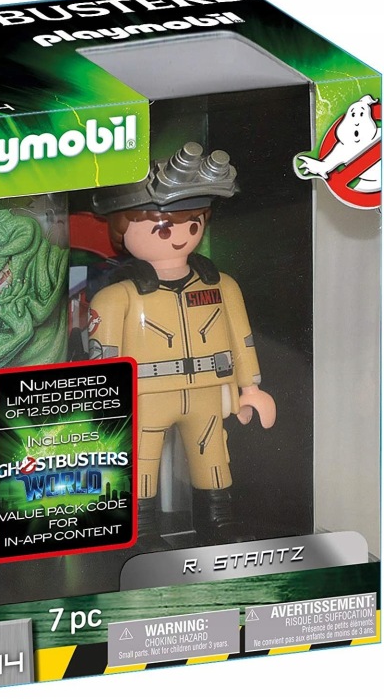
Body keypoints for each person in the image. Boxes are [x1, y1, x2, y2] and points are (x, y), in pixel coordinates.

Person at [88, 142, 276, 547]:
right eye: (163, 228)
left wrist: (251, 388)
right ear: (122, 228)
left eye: (193, 224)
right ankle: (140, 530)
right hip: (145, 395)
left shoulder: (221, 286)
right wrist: (106, 406)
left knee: (213, 455)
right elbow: (102, 357)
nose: (179, 237)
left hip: (208, 390)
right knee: (140, 461)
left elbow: (242, 340)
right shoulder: (117, 297)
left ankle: (218, 521)